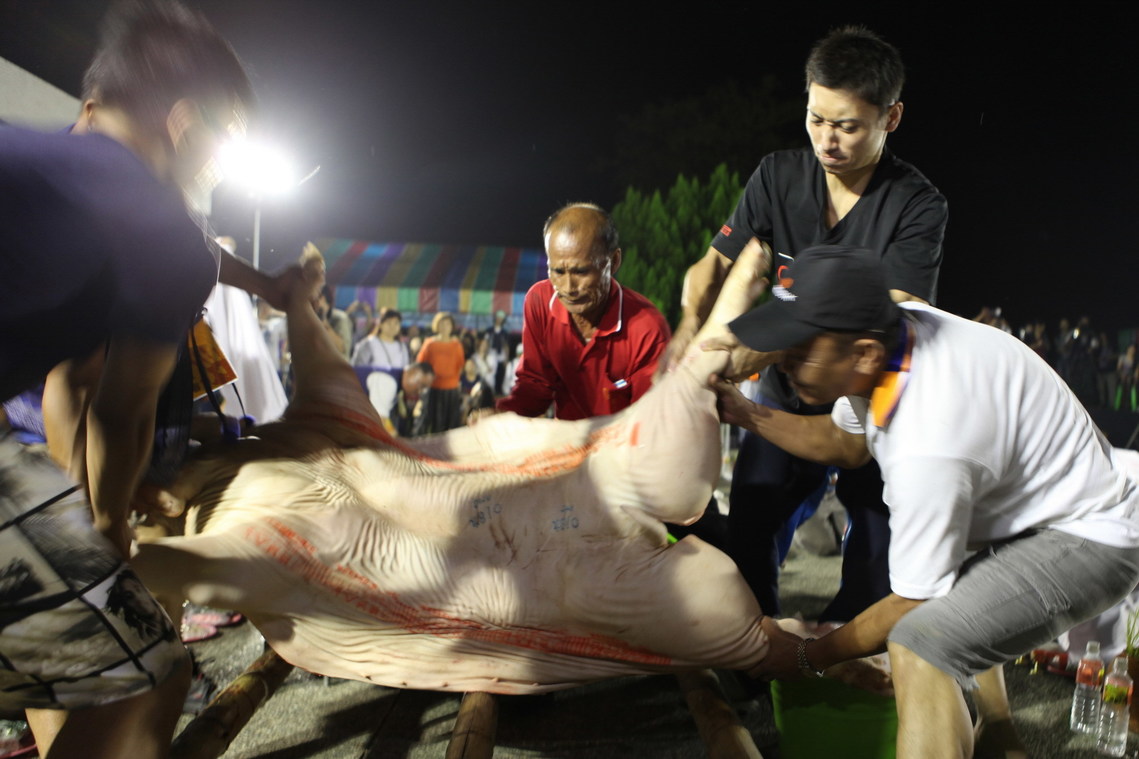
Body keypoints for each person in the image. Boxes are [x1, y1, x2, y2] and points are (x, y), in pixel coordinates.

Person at [0, 3, 297, 756]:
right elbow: (118, 405)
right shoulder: (162, 228)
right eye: (225, 140)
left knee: (75, 658)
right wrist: (103, 526)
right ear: (186, 122)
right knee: (149, 673)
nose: (219, 163)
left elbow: (72, 378)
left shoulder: (35, 163)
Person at [715, 246, 1139, 759]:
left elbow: (914, 601)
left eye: (799, 349)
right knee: (953, 599)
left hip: (1094, 535)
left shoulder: (928, 437)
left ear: (865, 353)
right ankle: (999, 735)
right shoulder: (899, 327)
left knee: (921, 644)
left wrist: (807, 656)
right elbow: (847, 443)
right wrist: (746, 414)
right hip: (1045, 505)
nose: (783, 359)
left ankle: (989, 733)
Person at [666, 26, 948, 620]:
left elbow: (880, 317)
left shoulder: (917, 204)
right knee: (752, 521)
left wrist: (755, 351)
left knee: (876, 551)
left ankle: (846, 661)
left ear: (891, 117)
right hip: (786, 394)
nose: (828, 140)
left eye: (847, 125)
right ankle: (754, 654)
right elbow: (717, 268)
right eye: (816, 119)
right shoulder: (777, 177)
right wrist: (690, 332)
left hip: (869, 401)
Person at [494, 203, 670, 420]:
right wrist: (501, 416)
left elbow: (649, 418)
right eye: (557, 271)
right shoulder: (539, 301)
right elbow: (536, 384)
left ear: (613, 262)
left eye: (582, 271)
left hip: (624, 448)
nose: (568, 288)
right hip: (567, 445)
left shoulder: (647, 328)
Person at [416, 311, 465, 432]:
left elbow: (460, 366)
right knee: (433, 424)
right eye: (441, 324)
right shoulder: (430, 344)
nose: (444, 327)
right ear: (436, 326)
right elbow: (420, 364)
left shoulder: (456, 345)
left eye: (447, 324)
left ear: (452, 326)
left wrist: (453, 381)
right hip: (433, 389)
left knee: (451, 425)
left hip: (451, 389)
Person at [365, 361, 434, 436]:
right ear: (410, 373)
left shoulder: (399, 381)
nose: (420, 391)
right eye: (421, 385)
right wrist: (400, 442)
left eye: (425, 388)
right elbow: (380, 420)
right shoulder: (388, 382)